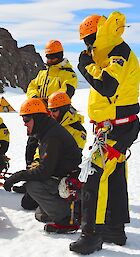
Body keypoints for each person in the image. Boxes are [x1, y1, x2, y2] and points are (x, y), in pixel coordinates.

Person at [69, 12, 140, 255]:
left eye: (88, 41)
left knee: (94, 178)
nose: (87, 47)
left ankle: (91, 234)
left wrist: (85, 66)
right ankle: (114, 227)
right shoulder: (110, 53)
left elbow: (107, 86)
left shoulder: (118, 53)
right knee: (114, 175)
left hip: (117, 128)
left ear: (96, 35)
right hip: (116, 126)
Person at [4, 98, 82, 233]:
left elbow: (44, 172)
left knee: (33, 186)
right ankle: (70, 208)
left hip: (68, 183)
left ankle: (67, 220)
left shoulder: (51, 136)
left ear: (37, 118)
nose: (24, 124)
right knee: (40, 215)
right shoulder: (47, 131)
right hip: (60, 178)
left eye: (26, 120)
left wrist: (18, 176)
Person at [16, 92, 87, 211]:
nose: (52, 114)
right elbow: (42, 150)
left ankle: (70, 208)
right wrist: (36, 164)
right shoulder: (47, 126)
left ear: (64, 109)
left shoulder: (77, 129)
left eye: (55, 110)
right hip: (50, 167)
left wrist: (40, 170)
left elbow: (71, 154)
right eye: (50, 110)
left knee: (34, 191)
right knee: (28, 203)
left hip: (63, 173)